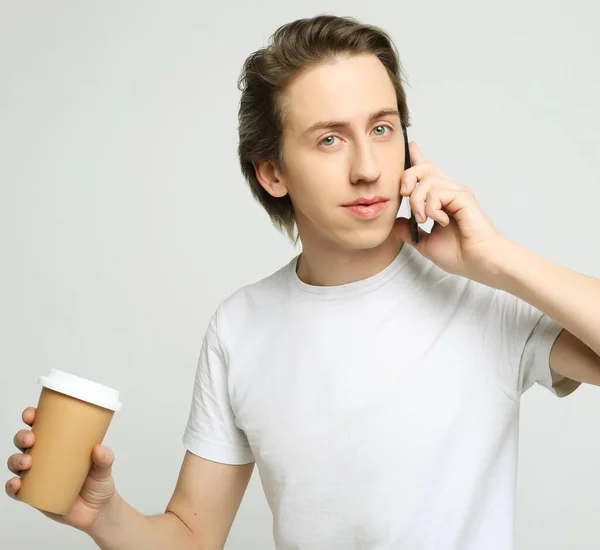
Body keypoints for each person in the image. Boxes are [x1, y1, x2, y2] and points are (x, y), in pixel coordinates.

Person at [6, 14, 600, 550]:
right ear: (273, 172)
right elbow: (191, 536)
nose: (368, 169)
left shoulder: (485, 297)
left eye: (383, 129)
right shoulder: (241, 326)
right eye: (329, 138)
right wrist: (101, 516)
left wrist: (495, 259)